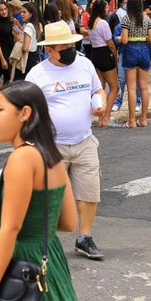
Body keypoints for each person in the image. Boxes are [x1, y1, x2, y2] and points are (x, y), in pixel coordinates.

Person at [0, 81, 81, 301]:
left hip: (23, 267)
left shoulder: (22, 159)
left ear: (24, 113)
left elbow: (10, 228)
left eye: (0, 109)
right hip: (50, 265)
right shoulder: (50, 155)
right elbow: (68, 222)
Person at [26, 21, 107, 260]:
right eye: (64, 47)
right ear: (49, 50)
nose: (71, 50)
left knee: (90, 192)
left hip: (84, 141)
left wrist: (99, 103)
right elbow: (27, 109)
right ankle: (44, 242)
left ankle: (85, 237)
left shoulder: (84, 64)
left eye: (72, 45)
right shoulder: (37, 75)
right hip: (52, 145)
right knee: (50, 196)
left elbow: (97, 89)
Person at [119, 0, 151, 129]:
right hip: (144, 51)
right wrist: (143, 37)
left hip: (131, 52)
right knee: (144, 87)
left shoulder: (126, 18)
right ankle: (144, 119)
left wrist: (118, 39)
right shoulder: (146, 19)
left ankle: (132, 120)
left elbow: (124, 40)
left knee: (132, 88)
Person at [86, 0, 119, 128]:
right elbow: (110, 43)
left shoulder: (91, 22)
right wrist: (115, 57)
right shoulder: (103, 23)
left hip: (95, 53)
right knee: (114, 87)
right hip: (105, 54)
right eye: (106, 8)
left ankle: (100, 117)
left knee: (100, 87)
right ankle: (106, 117)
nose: (108, 10)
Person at [0, 1, 16, 91]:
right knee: (5, 72)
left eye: (5, 9)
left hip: (12, 49)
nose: (4, 12)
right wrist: (2, 59)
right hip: (2, 50)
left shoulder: (12, 21)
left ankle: (4, 92)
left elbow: (16, 37)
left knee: (8, 76)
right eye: (1, 10)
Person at [19, 2, 43, 76]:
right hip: (34, 55)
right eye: (21, 12)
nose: (21, 14)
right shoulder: (34, 25)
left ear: (31, 14)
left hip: (28, 57)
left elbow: (25, 48)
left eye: (24, 12)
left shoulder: (28, 26)